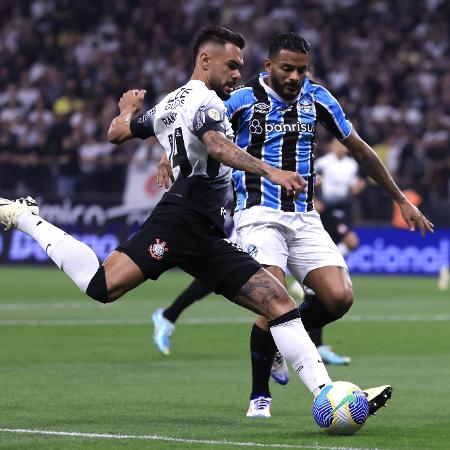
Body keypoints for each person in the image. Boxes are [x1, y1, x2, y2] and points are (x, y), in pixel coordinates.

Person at [0, 26, 337, 416]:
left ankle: (326, 397)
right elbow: (215, 145)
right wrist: (272, 172)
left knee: (279, 302)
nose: (237, 75)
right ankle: (24, 216)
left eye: (240, 67)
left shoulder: (170, 103)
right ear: (204, 60)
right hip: (177, 221)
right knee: (102, 286)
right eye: (231, 65)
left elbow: (118, 133)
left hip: (207, 231)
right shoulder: (207, 103)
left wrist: (127, 110)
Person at [154, 31, 432, 418]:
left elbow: (360, 149)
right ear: (268, 66)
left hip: (304, 216)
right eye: (287, 69)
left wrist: (400, 198)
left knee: (339, 298)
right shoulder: (241, 99)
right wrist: (169, 153)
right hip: (257, 213)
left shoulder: (318, 98)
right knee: (271, 294)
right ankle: (258, 396)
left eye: (302, 70)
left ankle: (282, 344)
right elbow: (195, 124)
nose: (296, 77)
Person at [290, 137, 367, 365]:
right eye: (338, 144)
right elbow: (311, 178)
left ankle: (315, 344)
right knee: (348, 244)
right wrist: (314, 198)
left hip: (342, 208)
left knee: (319, 281)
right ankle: (314, 344)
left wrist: (356, 189)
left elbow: (353, 185)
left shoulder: (351, 165)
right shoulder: (323, 161)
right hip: (323, 210)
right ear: (332, 146)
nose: (342, 147)